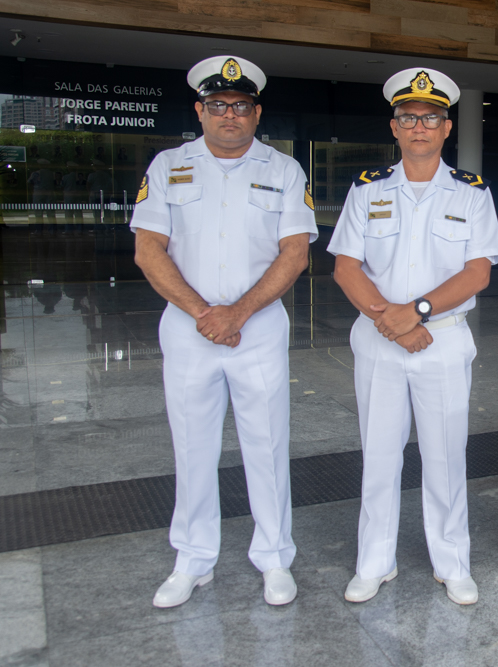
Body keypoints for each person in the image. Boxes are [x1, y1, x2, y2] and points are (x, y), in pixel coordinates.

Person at [131, 55, 317, 608]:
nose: (229, 115)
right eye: (217, 105)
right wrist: (203, 312)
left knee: (267, 443)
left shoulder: (284, 170)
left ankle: (274, 558)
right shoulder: (168, 165)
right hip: (189, 330)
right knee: (191, 445)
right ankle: (193, 558)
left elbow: (296, 252)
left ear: (256, 113)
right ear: (200, 109)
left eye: (239, 106)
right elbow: (148, 249)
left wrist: (236, 313)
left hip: (256, 329)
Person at [328, 67, 498, 606]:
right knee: (379, 455)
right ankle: (373, 561)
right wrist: (392, 321)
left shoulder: (472, 194)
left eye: (430, 118)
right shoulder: (368, 190)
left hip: (443, 338)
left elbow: (479, 272)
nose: (420, 126)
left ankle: (452, 562)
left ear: (446, 127)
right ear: (395, 126)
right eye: (409, 117)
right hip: (381, 338)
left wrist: (418, 313)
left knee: (446, 455)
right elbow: (345, 266)